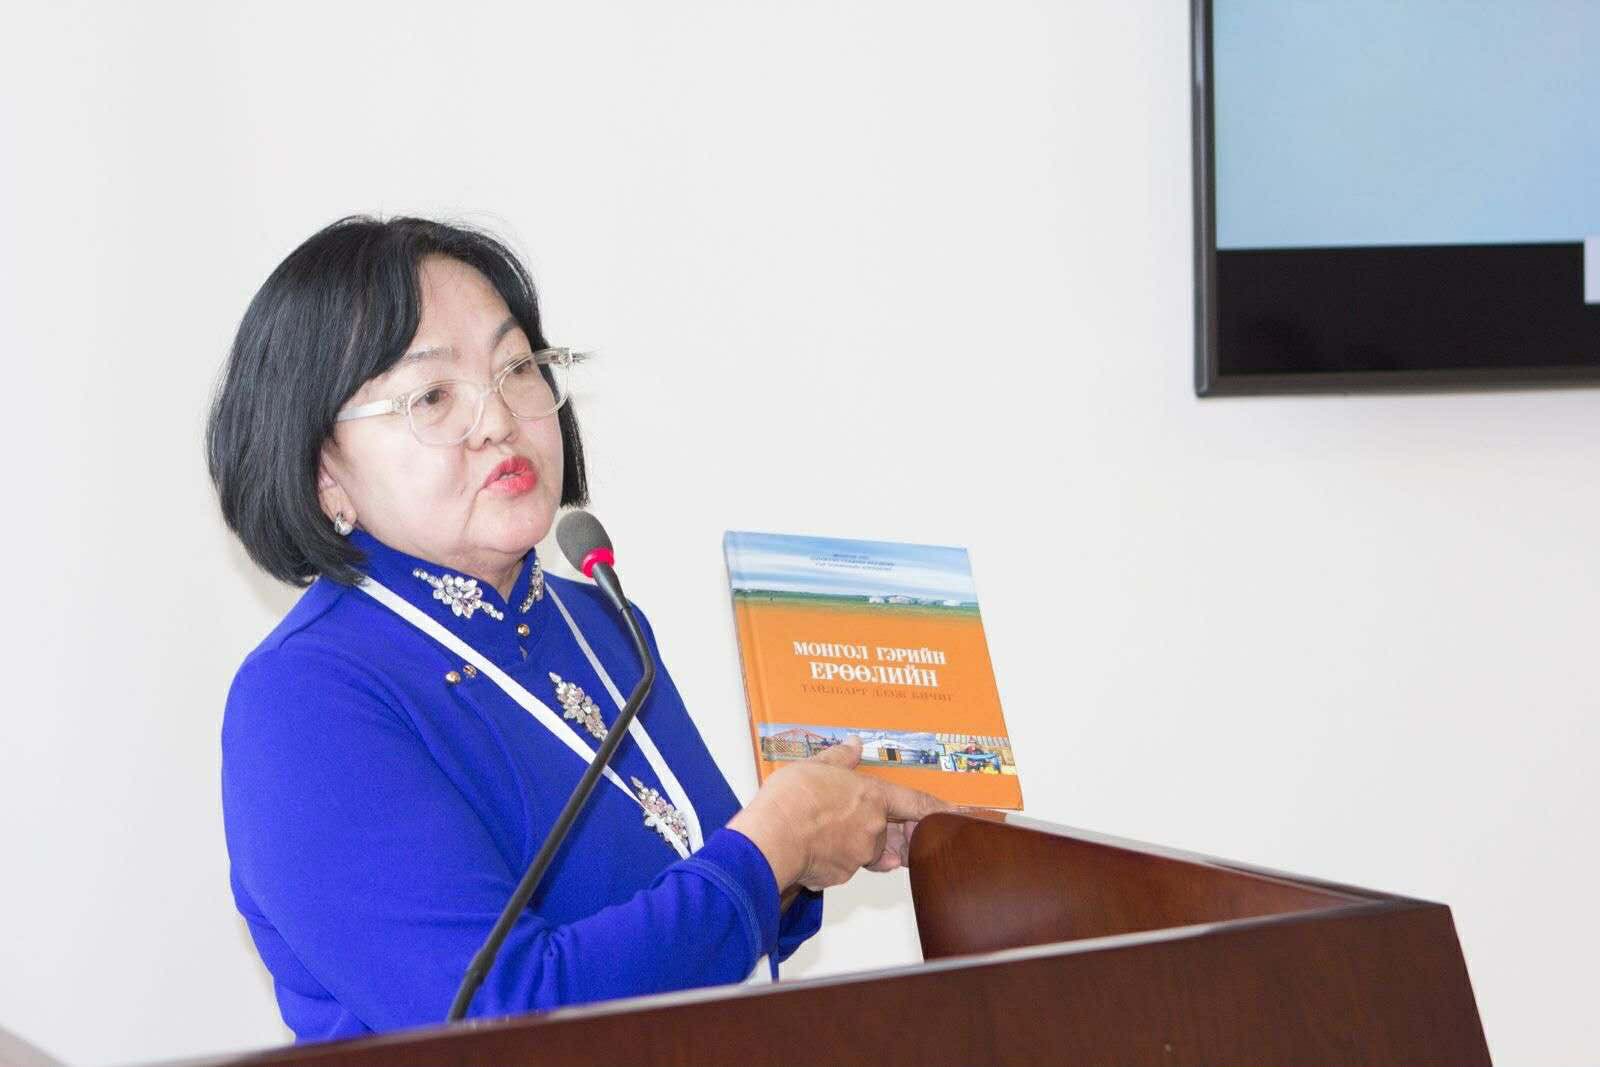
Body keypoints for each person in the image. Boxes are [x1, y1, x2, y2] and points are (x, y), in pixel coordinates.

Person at [206, 215, 948, 1043]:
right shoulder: (303, 699)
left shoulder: (601, 624)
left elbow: (691, 924)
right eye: (433, 396)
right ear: (324, 474)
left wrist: (820, 834)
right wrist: (775, 842)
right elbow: (500, 1023)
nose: (499, 419)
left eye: (517, 367)